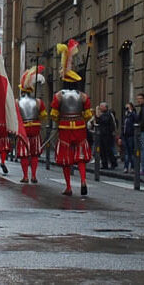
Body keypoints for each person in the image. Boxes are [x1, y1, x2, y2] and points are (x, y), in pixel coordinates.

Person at [50, 39, 93, 196]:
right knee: (80, 157)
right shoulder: (83, 96)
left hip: (64, 129)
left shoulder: (58, 96)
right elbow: (88, 115)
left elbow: (54, 114)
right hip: (80, 127)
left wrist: (59, 121)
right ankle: (83, 180)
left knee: (66, 159)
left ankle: (68, 186)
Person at [16, 66, 47, 182]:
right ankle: (33, 175)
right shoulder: (38, 102)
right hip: (35, 128)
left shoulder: (17, 102)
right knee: (34, 153)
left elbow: (15, 116)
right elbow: (44, 115)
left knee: (24, 154)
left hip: (23, 128)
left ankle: (25, 176)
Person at [94, 103, 117, 170]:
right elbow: (98, 122)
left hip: (107, 135)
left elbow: (104, 121)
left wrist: (98, 115)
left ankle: (113, 163)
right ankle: (104, 164)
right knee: (102, 150)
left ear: (105, 107)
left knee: (108, 150)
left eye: (101, 107)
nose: (100, 108)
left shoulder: (108, 114)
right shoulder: (102, 115)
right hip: (102, 134)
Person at [121, 103, 137, 173]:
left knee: (131, 152)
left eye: (128, 107)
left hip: (131, 135)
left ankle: (133, 167)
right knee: (126, 153)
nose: (127, 108)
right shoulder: (126, 116)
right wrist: (121, 136)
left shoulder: (133, 114)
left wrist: (131, 112)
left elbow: (136, 119)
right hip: (125, 136)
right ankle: (126, 167)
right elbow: (123, 126)